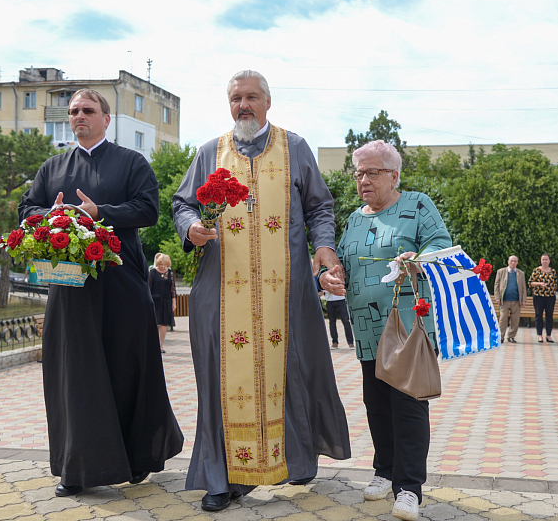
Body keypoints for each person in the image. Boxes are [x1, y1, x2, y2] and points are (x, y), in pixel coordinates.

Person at [171, 70, 350, 512]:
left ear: (268, 102)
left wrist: (324, 247)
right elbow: (183, 202)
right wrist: (190, 227)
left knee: (289, 371)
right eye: (236, 99)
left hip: (284, 291)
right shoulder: (210, 152)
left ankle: (291, 458)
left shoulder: (296, 148)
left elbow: (320, 206)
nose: (243, 106)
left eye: (251, 98)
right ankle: (221, 476)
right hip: (221, 289)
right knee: (220, 379)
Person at [19, 88, 183, 497]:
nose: (79, 116)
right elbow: (26, 211)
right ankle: (77, 468)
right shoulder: (52, 167)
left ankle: (137, 458)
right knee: (75, 375)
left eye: (87, 110)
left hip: (122, 285)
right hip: (71, 289)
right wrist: (51, 215)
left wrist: (100, 213)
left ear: (106, 118)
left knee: (127, 369)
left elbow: (148, 209)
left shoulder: (131, 162)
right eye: (73, 111)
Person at [320, 140, 452, 521]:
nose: (363, 179)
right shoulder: (355, 219)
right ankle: (385, 470)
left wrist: (418, 256)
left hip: (409, 326)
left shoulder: (416, 205)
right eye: (358, 172)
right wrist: (329, 277)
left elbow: (441, 247)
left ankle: (409, 488)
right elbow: (340, 264)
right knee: (376, 405)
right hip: (366, 329)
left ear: (394, 175)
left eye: (372, 172)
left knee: (407, 406)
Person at [494, 256, 527, 343]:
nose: (513, 263)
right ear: (508, 261)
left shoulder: (521, 273)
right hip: (504, 301)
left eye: (515, 261)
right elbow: (496, 285)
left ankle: (511, 337)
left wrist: (523, 300)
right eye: (511, 261)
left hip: (516, 301)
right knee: (503, 319)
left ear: (517, 263)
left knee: (515, 320)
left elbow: (524, 288)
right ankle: (500, 337)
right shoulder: (501, 272)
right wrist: (497, 297)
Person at [149, 253, 177, 353]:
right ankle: (154, 345)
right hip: (155, 300)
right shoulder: (152, 272)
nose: (163, 267)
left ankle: (160, 346)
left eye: (165, 265)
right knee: (155, 323)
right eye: (161, 264)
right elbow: (149, 288)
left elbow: (173, 289)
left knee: (164, 324)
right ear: (158, 263)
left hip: (167, 300)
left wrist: (174, 302)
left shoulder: (170, 273)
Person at [529, 254, 558, 343]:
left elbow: (555, 283)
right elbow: (530, 283)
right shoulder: (536, 270)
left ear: (549, 261)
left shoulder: (553, 271)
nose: (545, 261)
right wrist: (539, 284)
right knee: (539, 315)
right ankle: (540, 335)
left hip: (550, 297)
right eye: (543, 259)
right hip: (539, 296)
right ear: (540, 261)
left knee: (549, 316)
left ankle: (548, 335)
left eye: (546, 259)